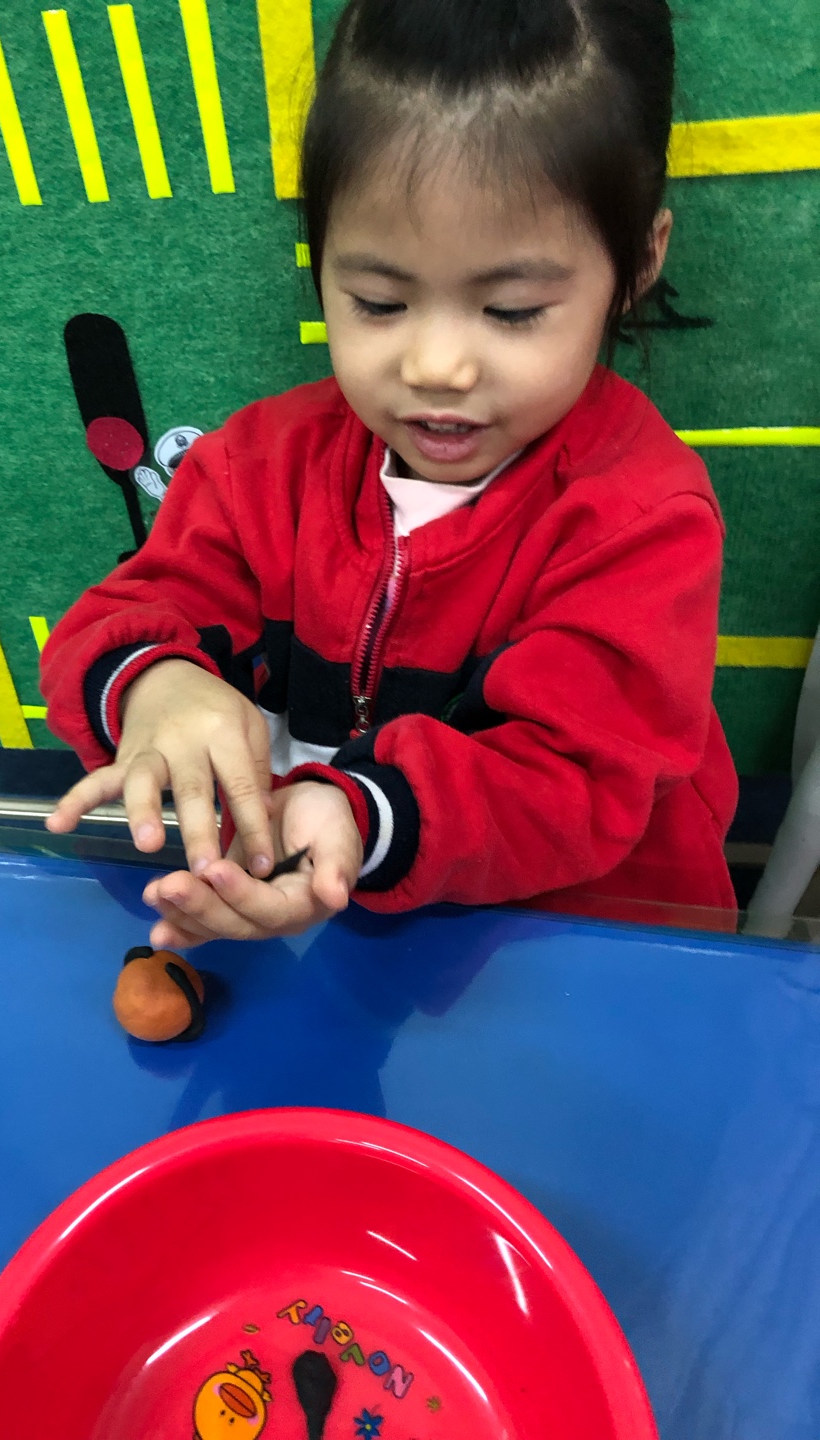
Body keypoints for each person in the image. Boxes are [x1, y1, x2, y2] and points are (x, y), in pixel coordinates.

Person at [42, 0, 738, 948]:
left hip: (563, 940)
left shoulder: (643, 517)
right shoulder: (255, 467)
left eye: (512, 310)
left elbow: (571, 776)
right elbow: (126, 613)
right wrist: (155, 683)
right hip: (319, 913)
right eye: (378, 301)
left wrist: (361, 814)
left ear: (639, 261)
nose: (436, 368)